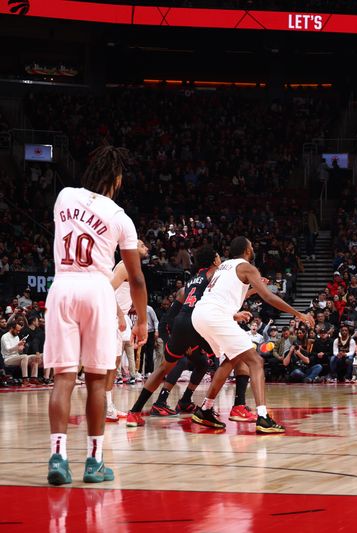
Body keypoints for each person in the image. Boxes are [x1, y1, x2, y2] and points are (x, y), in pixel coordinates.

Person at [44, 145, 148, 486]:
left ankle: (58, 457)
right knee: (95, 382)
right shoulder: (121, 217)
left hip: (62, 285)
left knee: (62, 378)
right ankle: (94, 462)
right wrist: (143, 320)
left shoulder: (64, 196)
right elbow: (135, 277)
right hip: (97, 289)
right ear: (116, 179)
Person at [190, 237, 314, 433]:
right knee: (256, 362)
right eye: (252, 246)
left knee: (231, 359)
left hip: (200, 315)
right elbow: (269, 297)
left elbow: (227, 295)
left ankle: (205, 409)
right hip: (216, 315)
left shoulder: (225, 266)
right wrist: (298, 313)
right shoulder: (247, 267)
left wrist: (254, 288)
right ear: (248, 250)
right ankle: (263, 417)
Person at [126, 246, 227, 426]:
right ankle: (209, 408)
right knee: (230, 358)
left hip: (182, 323)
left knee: (176, 365)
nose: (221, 260)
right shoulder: (215, 275)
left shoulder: (191, 281)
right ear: (214, 261)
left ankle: (135, 411)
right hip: (195, 323)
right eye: (219, 257)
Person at [105, 239, 149, 421]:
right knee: (109, 365)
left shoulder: (131, 267)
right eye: (141, 245)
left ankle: (107, 406)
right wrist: (120, 315)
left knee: (113, 364)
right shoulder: (124, 267)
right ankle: (106, 407)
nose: (145, 247)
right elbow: (106, 290)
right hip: (111, 316)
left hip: (117, 317)